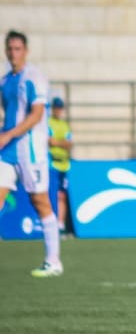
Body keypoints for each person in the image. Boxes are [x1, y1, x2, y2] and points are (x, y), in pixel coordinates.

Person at [1, 30, 62, 277]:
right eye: (10, 48)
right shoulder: (5, 81)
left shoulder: (35, 77)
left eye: (18, 48)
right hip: (7, 152)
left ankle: (53, 261)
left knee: (41, 202)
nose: (13, 52)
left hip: (31, 151)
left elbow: (36, 115)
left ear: (25, 51)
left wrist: (8, 134)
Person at [47, 96, 73, 236]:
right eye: (56, 108)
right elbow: (49, 142)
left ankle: (60, 224)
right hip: (52, 164)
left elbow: (69, 144)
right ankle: (50, 224)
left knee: (62, 195)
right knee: (52, 195)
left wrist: (57, 142)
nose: (58, 110)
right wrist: (61, 142)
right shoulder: (48, 123)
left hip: (63, 164)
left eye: (60, 108)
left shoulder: (64, 125)